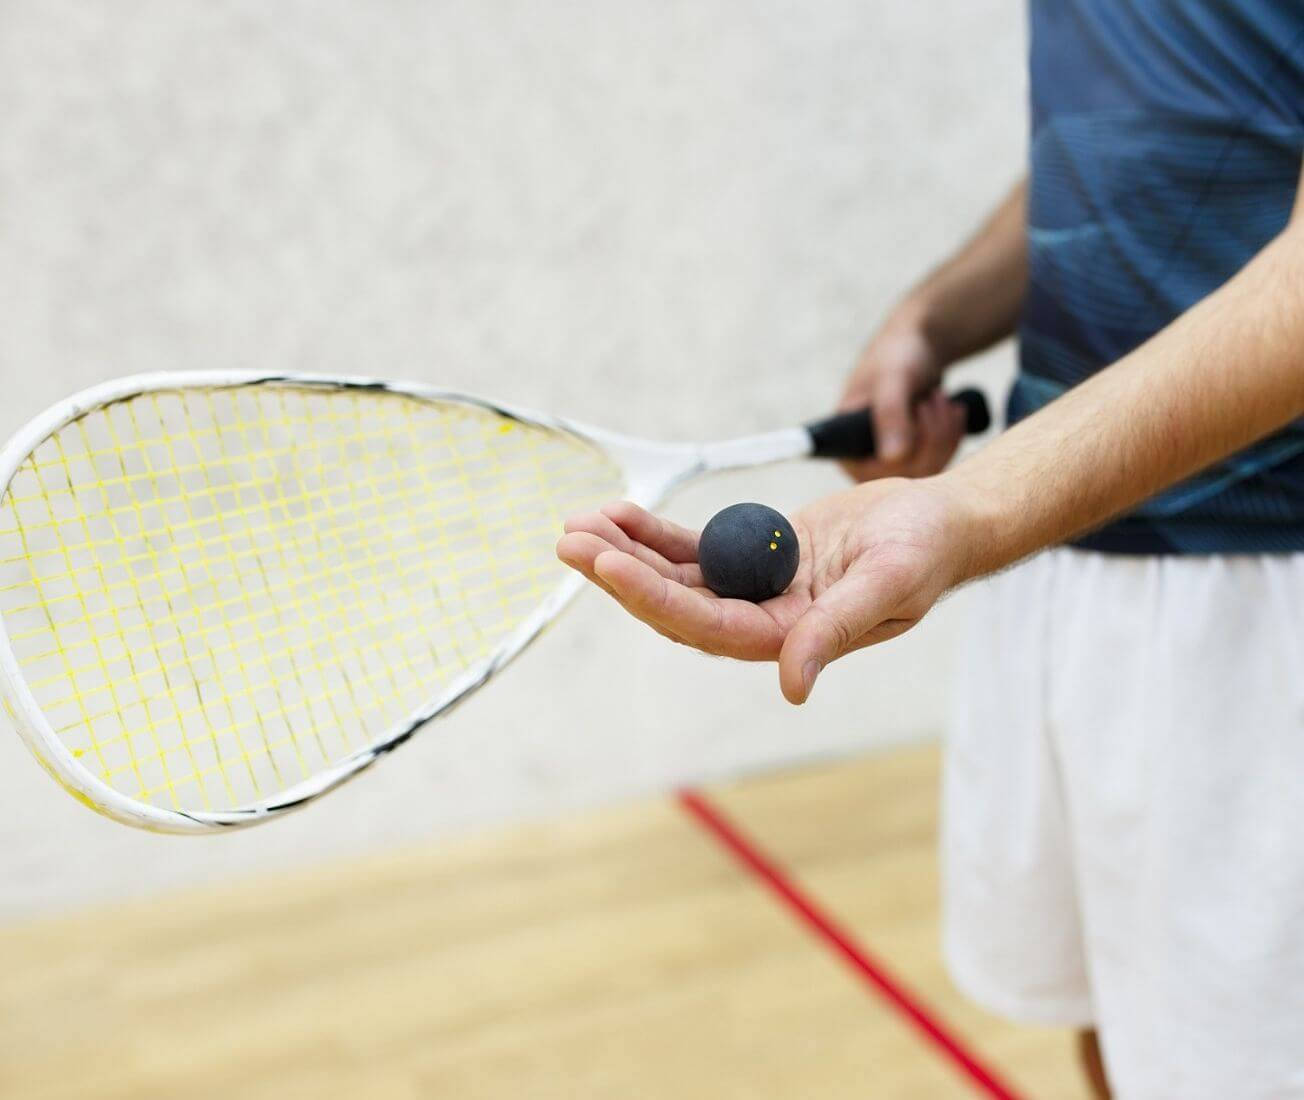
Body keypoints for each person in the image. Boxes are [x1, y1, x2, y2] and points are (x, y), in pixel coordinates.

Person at [557, 3, 1304, 1096]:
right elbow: (1151, 125)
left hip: (1258, 586)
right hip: (1058, 545)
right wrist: (937, 314)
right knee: (1110, 1027)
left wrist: (969, 508)